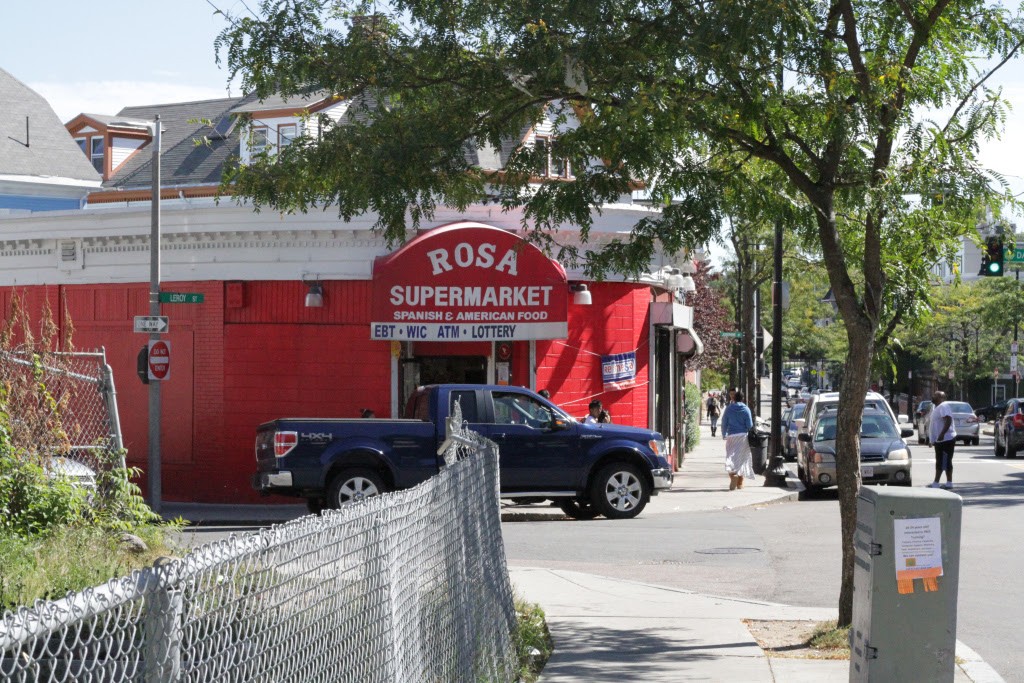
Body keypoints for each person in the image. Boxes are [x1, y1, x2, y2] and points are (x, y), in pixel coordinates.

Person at [720, 390, 754, 490]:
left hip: (731, 436)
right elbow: (750, 425)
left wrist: (724, 433)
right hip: (742, 436)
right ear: (743, 398)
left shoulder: (729, 409)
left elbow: (724, 422)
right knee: (742, 458)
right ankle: (740, 483)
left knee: (730, 457)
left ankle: (732, 475)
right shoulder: (746, 409)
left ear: (734, 398)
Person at [928, 390, 957, 489]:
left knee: (943, 460)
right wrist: (931, 440)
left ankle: (937, 483)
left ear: (941, 398)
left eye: (935, 395)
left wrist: (942, 434)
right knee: (943, 460)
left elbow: (948, 419)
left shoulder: (943, 406)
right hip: (941, 440)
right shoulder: (938, 407)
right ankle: (948, 482)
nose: (933, 396)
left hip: (946, 439)